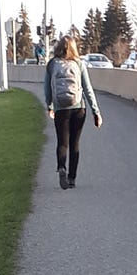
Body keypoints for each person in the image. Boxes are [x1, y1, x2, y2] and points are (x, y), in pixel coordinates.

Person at [43, 33, 102, 190]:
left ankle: (62, 167)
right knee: (74, 144)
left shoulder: (52, 64)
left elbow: (47, 89)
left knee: (62, 142)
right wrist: (96, 111)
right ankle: (72, 179)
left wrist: (49, 106)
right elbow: (88, 89)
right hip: (78, 108)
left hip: (61, 108)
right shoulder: (79, 64)